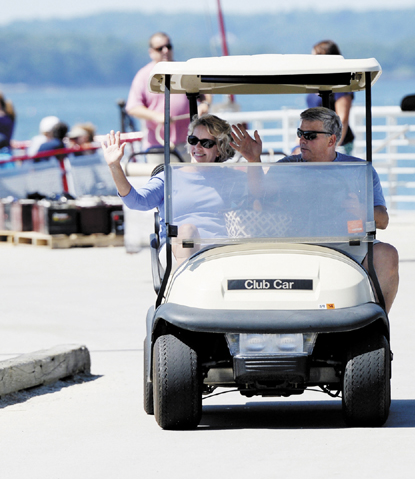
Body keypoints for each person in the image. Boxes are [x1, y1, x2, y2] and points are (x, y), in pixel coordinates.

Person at [231, 106, 400, 314]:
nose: (302, 140)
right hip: (301, 247)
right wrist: (253, 161)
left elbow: (383, 220)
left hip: (350, 248)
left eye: (310, 136)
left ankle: (376, 326)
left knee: (387, 255)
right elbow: (259, 194)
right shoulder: (287, 168)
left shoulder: (359, 170)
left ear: (331, 140)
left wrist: (361, 209)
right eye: (300, 134)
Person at [102, 114, 262, 262]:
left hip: (221, 250)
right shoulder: (169, 176)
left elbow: (260, 194)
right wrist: (115, 166)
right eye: (193, 140)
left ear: (219, 149)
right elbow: (135, 201)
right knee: (187, 232)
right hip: (177, 250)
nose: (198, 147)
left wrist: (254, 160)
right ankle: (185, 288)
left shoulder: (230, 177)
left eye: (206, 143)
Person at [125, 32, 210, 162]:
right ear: (151, 52)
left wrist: (205, 105)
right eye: (160, 48)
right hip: (157, 146)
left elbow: (206, 94)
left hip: (188, 143)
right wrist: (157, 117)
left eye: (168, 46)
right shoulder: (143, 75)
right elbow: (133, 107)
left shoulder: (185, 71)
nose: (165, 50)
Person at [305, 40, 355, 155]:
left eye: (314, 58)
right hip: (316, 142)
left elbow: (343, 119)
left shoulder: (341, 85)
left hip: (337, 144)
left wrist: (331, 148)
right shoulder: (315, 83)